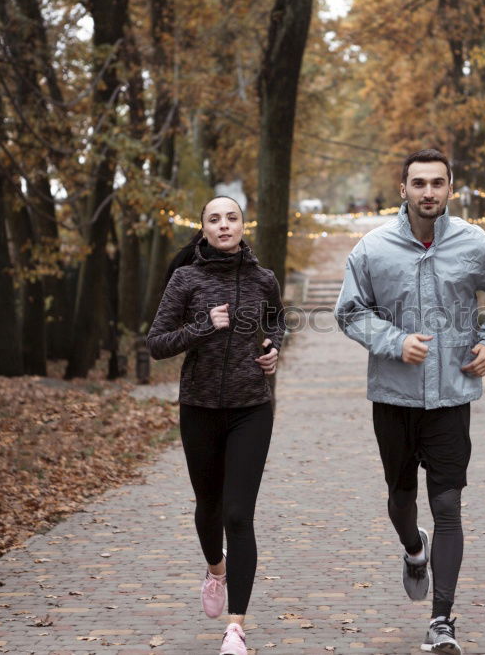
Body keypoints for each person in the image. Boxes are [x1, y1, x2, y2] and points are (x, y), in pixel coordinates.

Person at [335, 149, 485, 654]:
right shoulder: (372, 249)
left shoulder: (475, 244)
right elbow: (349, 312)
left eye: (437, 183)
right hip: (393, 397)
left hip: (450, 399)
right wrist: (394, 341)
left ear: (449, 188)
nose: (428, 192)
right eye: (418, 183)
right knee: (401, 501)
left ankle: (442, 620)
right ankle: (412, 549)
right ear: (403, 189)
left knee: (448, 505)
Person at [147, 196, 284, 655]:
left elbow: (276, 321)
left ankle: (235, 628)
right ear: (203, 229)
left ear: (244, 225)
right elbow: (157, 344)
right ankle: (215, 569)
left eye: (232, 218)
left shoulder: (264, 278)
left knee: (238, 514)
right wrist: (203, 326)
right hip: (200, 409)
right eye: (214, 219)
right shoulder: (186, 278)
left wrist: (272, 348)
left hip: (251, 408)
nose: (224, 225)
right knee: (208, 506)